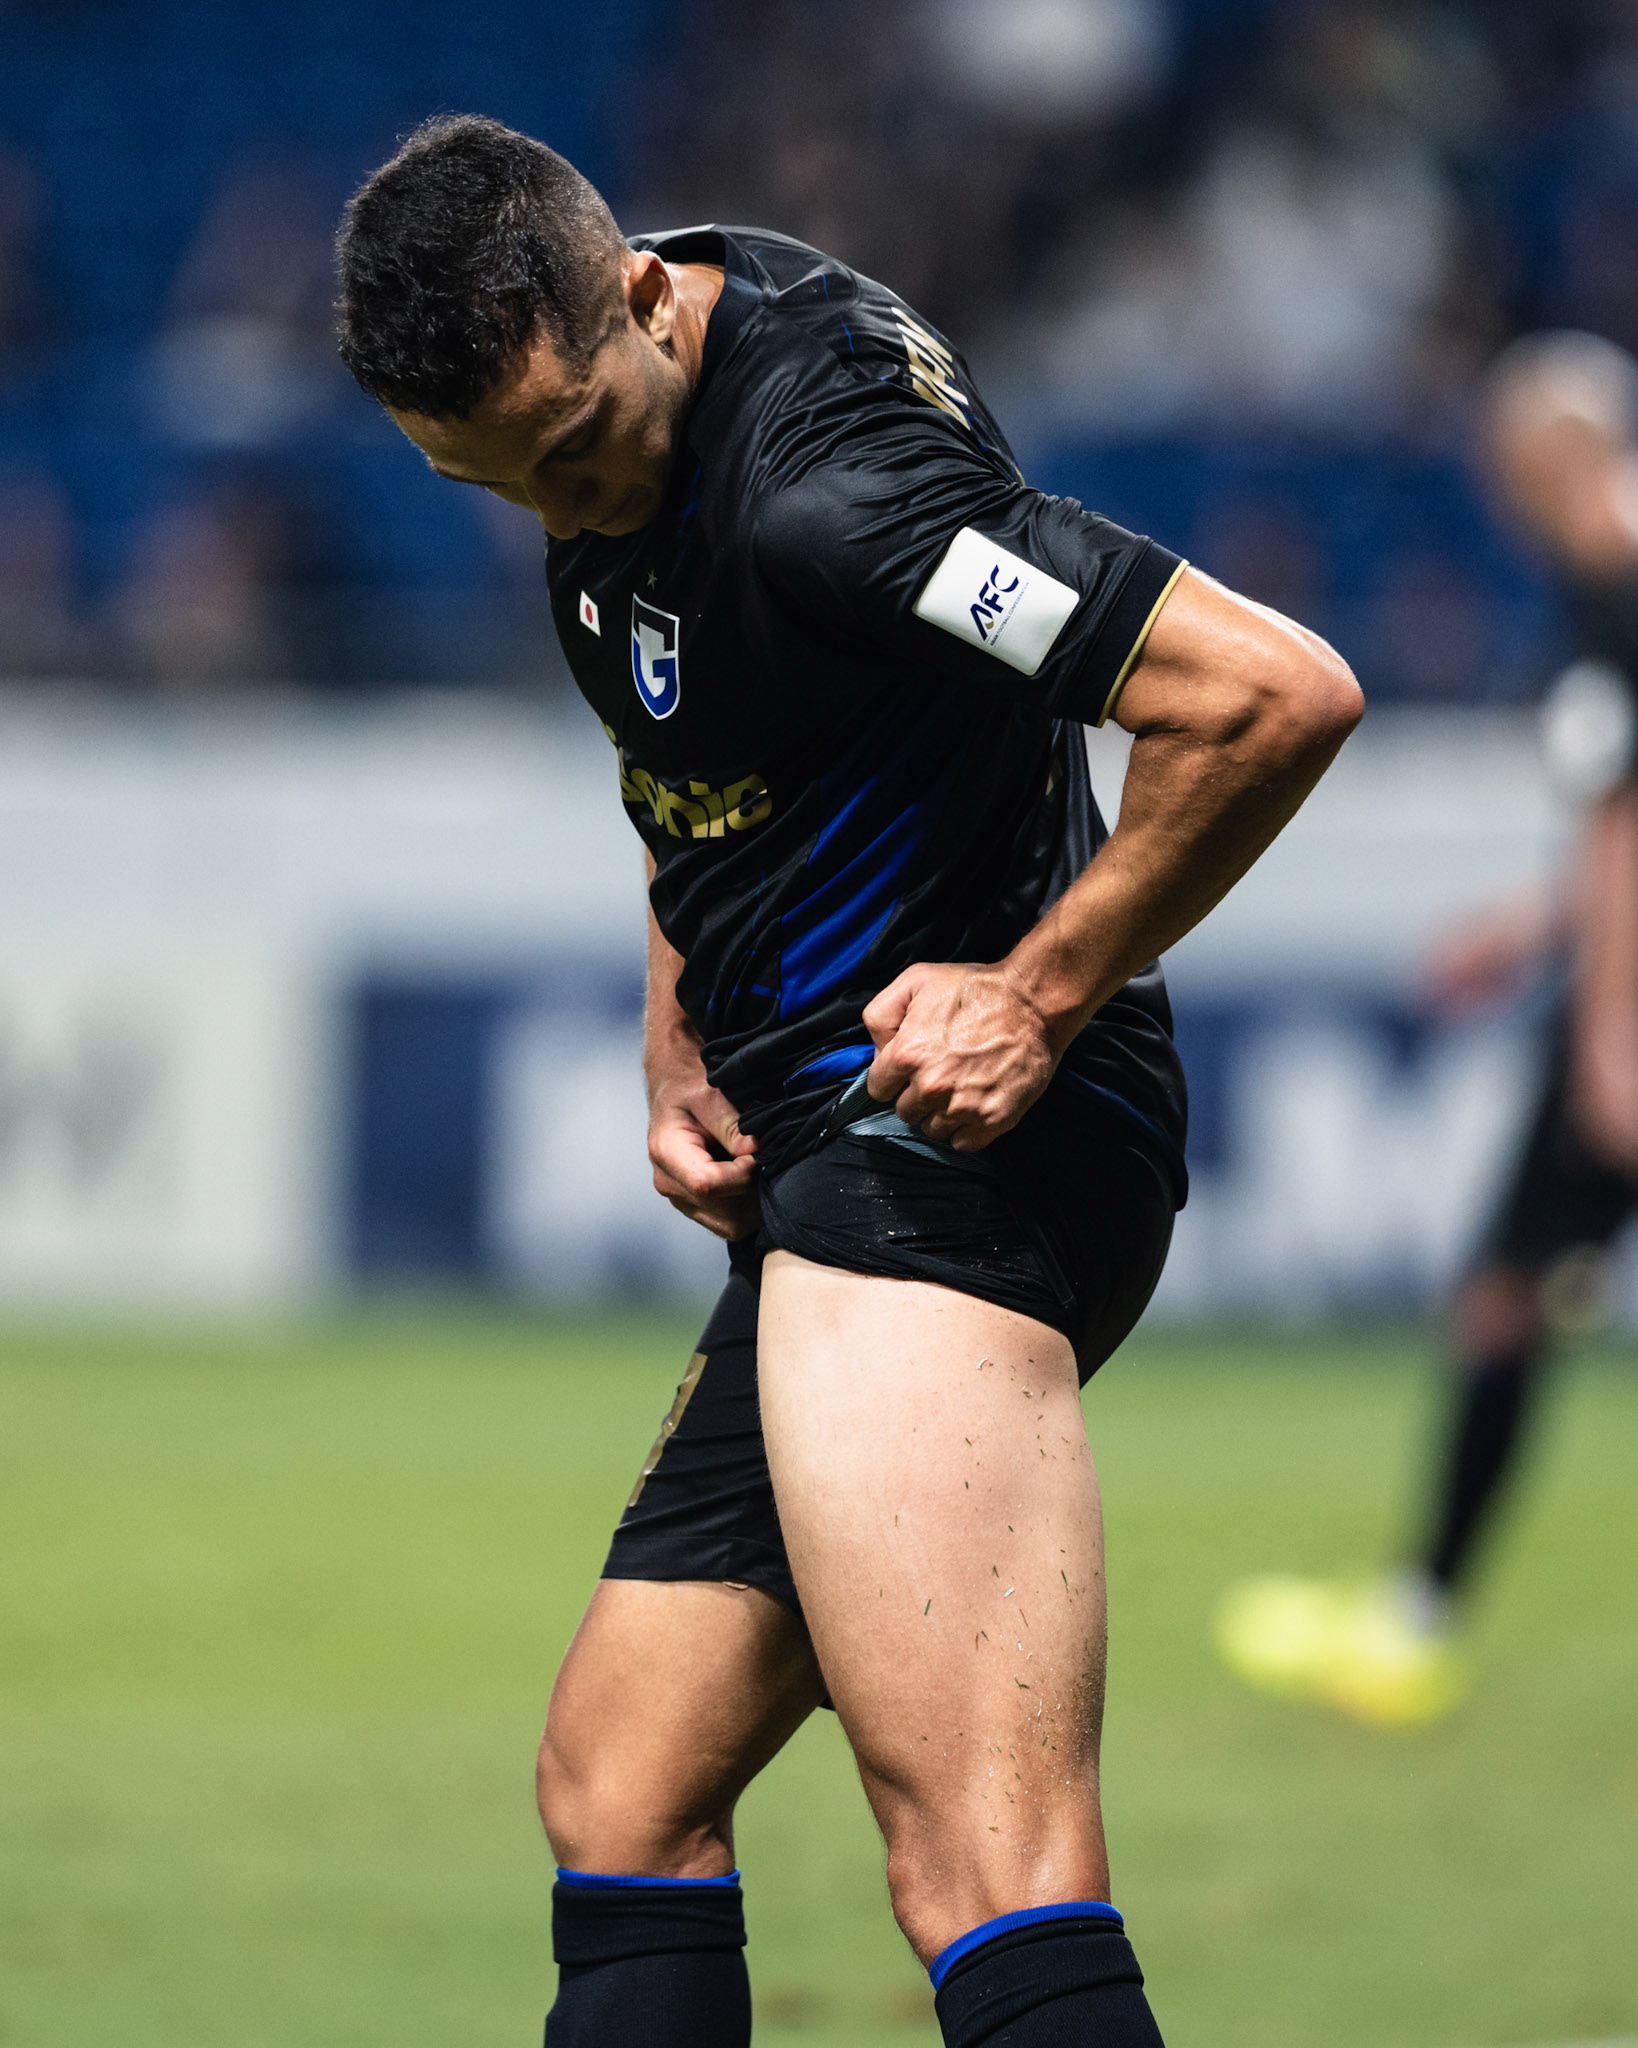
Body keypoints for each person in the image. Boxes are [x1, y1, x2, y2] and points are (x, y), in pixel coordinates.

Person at [336, 115, 1361, 2047]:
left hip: (949, 1149)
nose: (553, 506)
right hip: (831, 1146)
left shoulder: (845, 495)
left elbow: (1269, 694)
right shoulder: (630, 394)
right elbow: (691, 768)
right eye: (492, 485)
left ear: (643, 297)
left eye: (566, 451)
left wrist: (1043, 990)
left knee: (980, 1856)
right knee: (620, 1786)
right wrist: (677, 1016)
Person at [1217, 330, 1638, 1729]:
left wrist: (1609, 1039)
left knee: (1508, 1296)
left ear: (1538, 458)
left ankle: (1418, 1617)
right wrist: (1530, 925)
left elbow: (1627, 824)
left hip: (1627, 1012)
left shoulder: (1611, 574)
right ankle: (1418, 1609)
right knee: (1513, 1287)